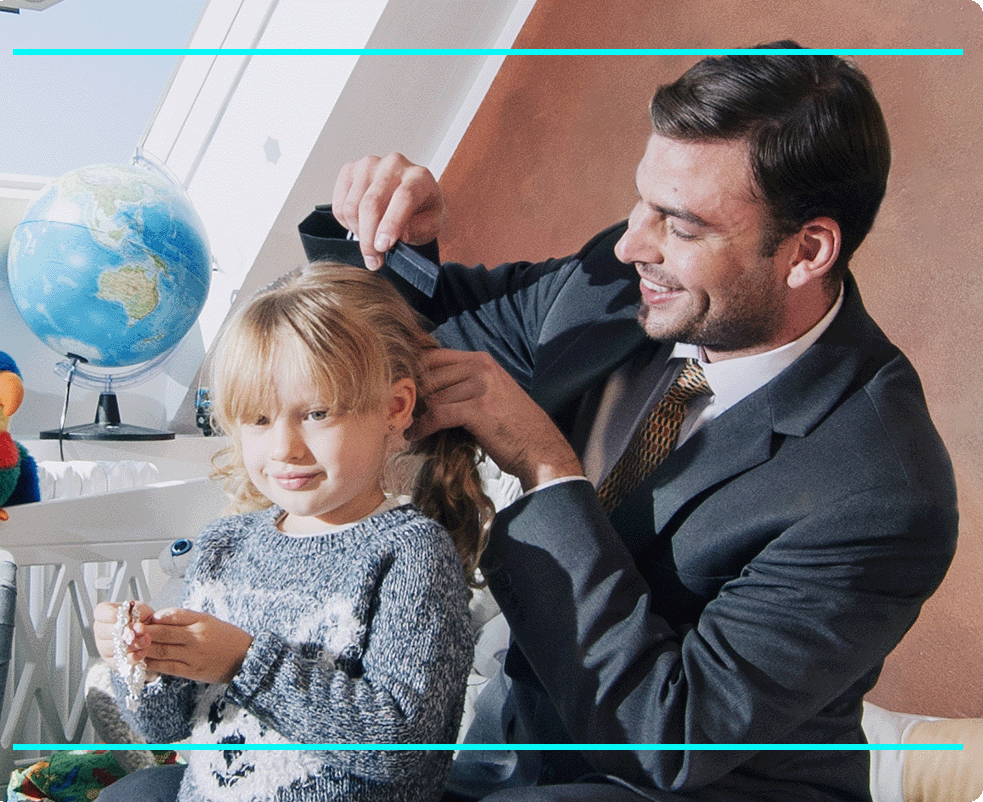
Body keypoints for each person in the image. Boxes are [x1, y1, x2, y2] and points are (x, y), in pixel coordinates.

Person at [302, 42, 959, 802]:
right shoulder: (625, 283)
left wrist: (545, 469)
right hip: (509, 754)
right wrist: (389, 241)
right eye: (642, 202)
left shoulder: (882, 492)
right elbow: (423, 341)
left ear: (806, 251)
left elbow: (669, 736)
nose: (629, 244)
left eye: (680, 225)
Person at [92, 262, 493, 802]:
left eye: (318, 413)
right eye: (259, 420)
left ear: (394, 409)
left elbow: (404, 750)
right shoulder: (224, 546)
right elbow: (164, 727)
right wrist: (142, 659)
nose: (285, 448)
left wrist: (243, 662)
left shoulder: (409, 553)